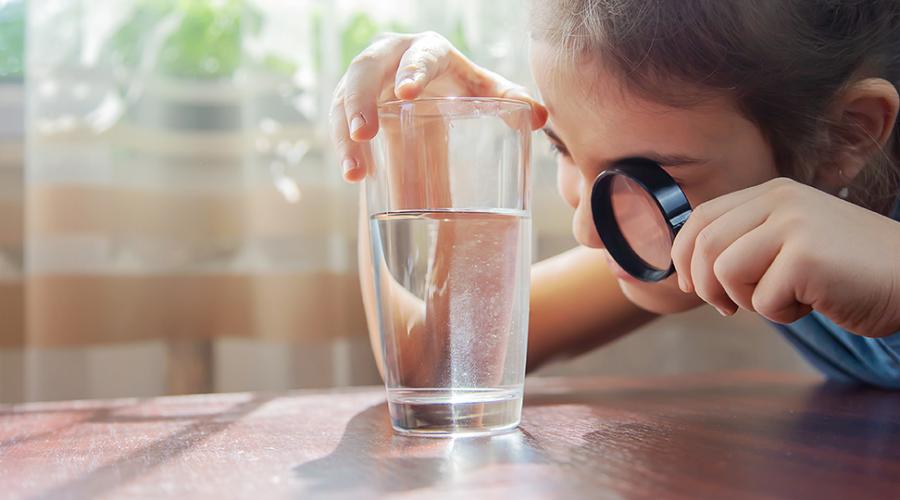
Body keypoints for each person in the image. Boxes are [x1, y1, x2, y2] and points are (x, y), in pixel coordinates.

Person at [330, 1, 900, 387]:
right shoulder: (699, 225)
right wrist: (403, 132)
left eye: (648, 174)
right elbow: (439, 358)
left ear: (843, 137)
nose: (588, 232)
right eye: (561, 149)